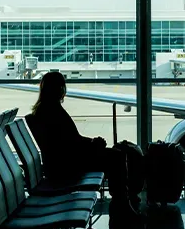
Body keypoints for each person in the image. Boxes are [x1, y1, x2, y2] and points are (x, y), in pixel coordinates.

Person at [26, 71, 132, 204]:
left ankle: (121, 203)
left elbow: (69, 140)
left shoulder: (44, 110)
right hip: (66, 165)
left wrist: (92, 142)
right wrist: (93, 144)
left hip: (60, 163)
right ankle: (122, 205)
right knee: (117, 157)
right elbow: (70, 143)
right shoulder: (53, 111)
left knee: (115, 155)